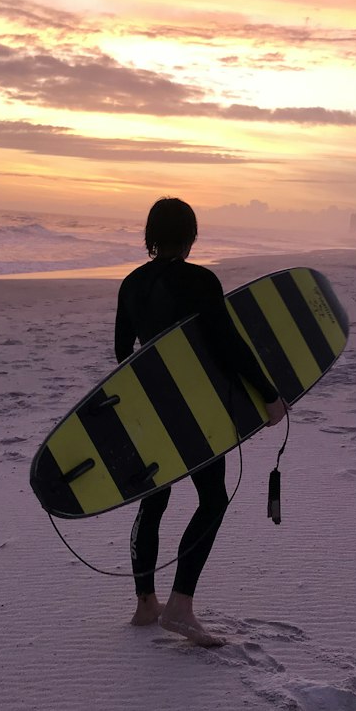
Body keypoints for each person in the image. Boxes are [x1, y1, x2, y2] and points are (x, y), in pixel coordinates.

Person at [114, 198, 287, 647]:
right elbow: (227, 343)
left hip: (150, 410)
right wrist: (268, 396)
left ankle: (144, 603)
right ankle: (181, 606)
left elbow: (122, 355)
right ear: (191, 236)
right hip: (197, 412)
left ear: (150, 235)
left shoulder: (130, 284)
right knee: (212, 498)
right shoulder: (201, 280)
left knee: (152, 503)